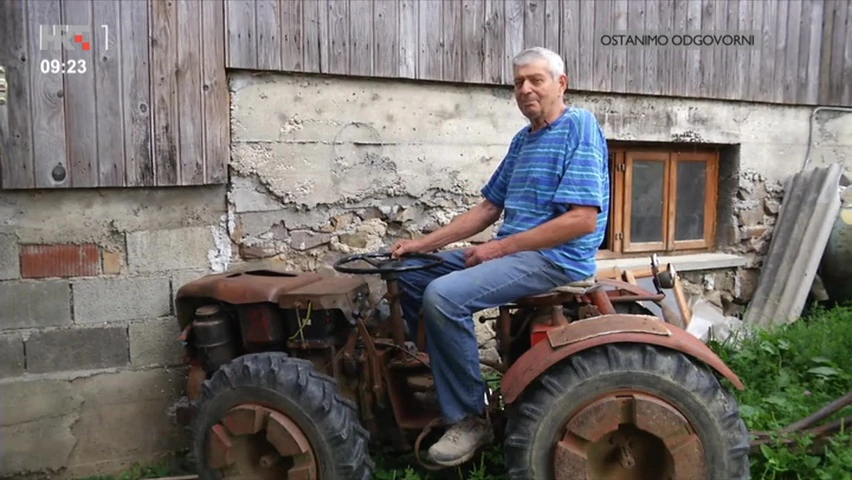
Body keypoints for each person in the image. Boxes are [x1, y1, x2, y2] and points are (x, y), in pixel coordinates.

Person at [390, 46, 611, 467]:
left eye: (536, 80)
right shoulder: (523, 140)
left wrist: (498, 248)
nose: (525, 89)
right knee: (410, 272)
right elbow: (489, 208)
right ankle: (443, 380)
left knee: (444, 296)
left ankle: (469, 418)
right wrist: (423, 244)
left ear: (561, 84)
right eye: (518, 83)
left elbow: (582, 220)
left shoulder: (579, 127)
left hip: (555, 259)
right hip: (516, 253)